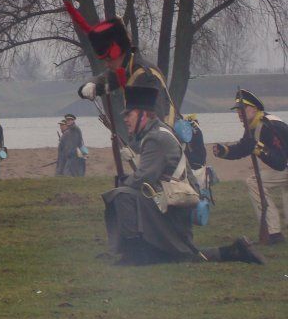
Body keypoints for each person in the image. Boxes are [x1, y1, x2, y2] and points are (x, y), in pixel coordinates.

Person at [103, 85, 263, 265]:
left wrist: (124, 181)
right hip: (170, 204)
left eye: (129, 114)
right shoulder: (157, 132)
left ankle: (134, 253)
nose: (125, 119)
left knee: (121, 195)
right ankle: (233, 251)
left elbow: (143, 178)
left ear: (144, 114)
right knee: (180, 257)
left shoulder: (156, 138)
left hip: (174, 208)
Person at [71, 12, 178, 137]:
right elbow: (106, 79)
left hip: (162, 143)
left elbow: (153, 122)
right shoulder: (128, 70)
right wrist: (92, 85)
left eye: (109, 59)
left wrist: (137, 150)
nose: (107, 64)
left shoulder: (144, 76)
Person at [213, 90, 288, 245]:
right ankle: (274, 234)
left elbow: (279, 162)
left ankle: (273, 233)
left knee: (254, 182)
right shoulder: (254, 126)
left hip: (284, 167)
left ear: (254, 109)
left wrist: (258, 147)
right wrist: (224, 151)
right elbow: (244, 147)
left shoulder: (269, 126)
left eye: (243, 109)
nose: (239, 113)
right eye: (238, 110)